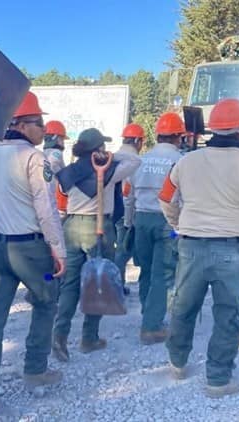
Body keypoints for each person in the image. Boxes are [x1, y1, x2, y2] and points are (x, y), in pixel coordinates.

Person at [159, 98, 239, 398]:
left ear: (211, 130)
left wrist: (179, 223)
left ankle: (177, 362)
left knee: (184, 306)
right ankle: (218, 379)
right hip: (232, 249)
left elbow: (166, 198)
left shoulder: (186, 161)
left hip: (190, 246)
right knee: (229, 312)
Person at [0, 92, 66, 417]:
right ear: (21, 124)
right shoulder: (37, 160)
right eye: (39, 123)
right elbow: (47, 210)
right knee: (46, 302)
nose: (44, 129)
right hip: (32, 250)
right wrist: (58, 250)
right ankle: (35, 369)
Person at [52, 128, 141, 361]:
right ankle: (89, 337)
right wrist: (110, 157)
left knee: (70, 284)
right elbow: (134, 159)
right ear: (97, 150)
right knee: (98, 283)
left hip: (71, 226)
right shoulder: (109, 171)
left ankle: (59, 334)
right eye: (102, 147)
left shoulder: (70, 173)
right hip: (98, 228)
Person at [125, 114, 183, 345]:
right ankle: (151, 326)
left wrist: (129, 224)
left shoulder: (140, 160)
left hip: (141, 220)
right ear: (178, 136)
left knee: (147, 270)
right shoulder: (179, 161)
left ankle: (146, 313)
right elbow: (183, 198)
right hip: (166, 222)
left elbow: (128, 196)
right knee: (162, 273)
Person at [114, 123, 145, 285]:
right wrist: (128, 222)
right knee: (123, 250)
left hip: (107, 210)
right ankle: (117, 284)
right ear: (139, 142)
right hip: (124, 213)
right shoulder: (135, 161)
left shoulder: (113, 157)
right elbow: (128, 195)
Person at [43, 120, 68, 195]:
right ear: (56, 138)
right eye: (62, 139)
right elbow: (52, 164)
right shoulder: (56, 152)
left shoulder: (43, 153)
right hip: (55, 195)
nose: (63, 142)